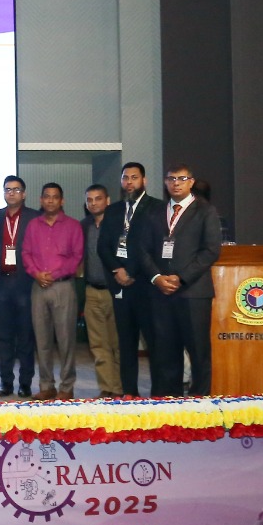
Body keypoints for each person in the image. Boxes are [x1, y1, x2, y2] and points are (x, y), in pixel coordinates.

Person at [134, 163, 223, 396]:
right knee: (164, 352)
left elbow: (211, 251)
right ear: (165, 182)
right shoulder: (154, 212)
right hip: (160, 293)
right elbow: (142, 249)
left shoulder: (205, 211)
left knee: (198, 352)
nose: (176, 183)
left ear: (191, 182)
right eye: (171, 179)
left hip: (193, 293)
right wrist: (156, 277)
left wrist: (181, 279)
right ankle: (168, 401)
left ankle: (199, 402)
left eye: (181, 179)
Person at [97, 162, 161, 397]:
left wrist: (131, 271)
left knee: (154, 343)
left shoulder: (157, 208)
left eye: (134, 177)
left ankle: (158, 393)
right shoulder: (113, 210)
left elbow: (154, 247)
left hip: (146, 285)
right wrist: (118, 270)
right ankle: (130, 392)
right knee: (126, 343)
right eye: (125, 178)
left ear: (144, 181)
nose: (129, 182)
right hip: (120, 285)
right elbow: (103, 247)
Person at [23, 183, 84, 401]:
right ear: (41, 200)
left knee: (66, 339)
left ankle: (67, 386)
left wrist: (54, 274)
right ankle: (46, 385)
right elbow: (26, 253)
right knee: (42, 340)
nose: (50, 200)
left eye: (55, 197)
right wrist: (36, 274)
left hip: (63, 287)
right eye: (46, 197)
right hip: (38, 287)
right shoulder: (33, 225)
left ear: (62, 201)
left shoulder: (73, 226)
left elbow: (77, 257)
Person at [0, 175, 38, 398]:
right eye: (7, 189)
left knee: (25, 337)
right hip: (1, 283)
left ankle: (25, 383)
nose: (11, 193)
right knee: (4, 337)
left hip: (25, 283)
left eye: (16, 190)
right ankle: (6, 382)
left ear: (24, 194)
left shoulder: (34, 218)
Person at [79, 184, 121, 397]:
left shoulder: (118, 224)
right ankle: (107, 388)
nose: (94, 203)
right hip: (91, 291)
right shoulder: (83, 225)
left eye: (98, 198)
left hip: (115, 291)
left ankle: (120, 388)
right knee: (98, 344)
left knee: (117, 342)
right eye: (90, 200)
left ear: (108, 200)